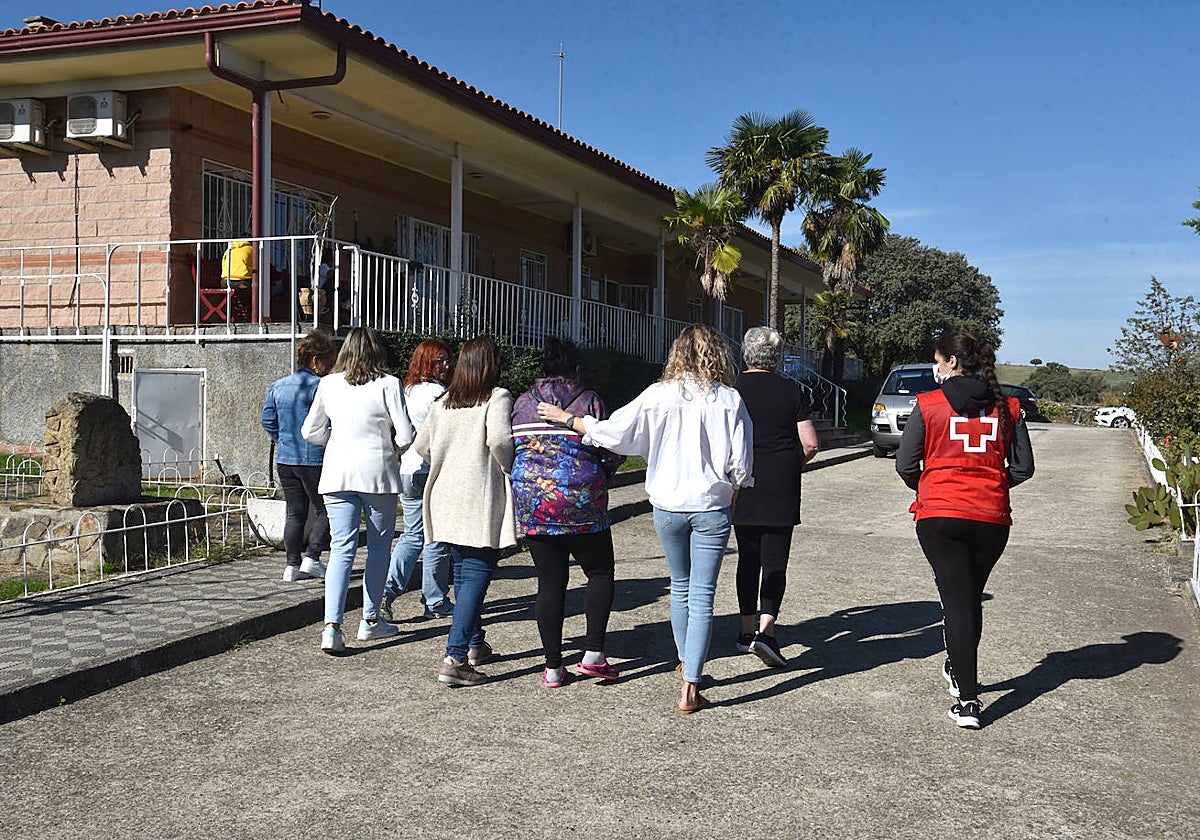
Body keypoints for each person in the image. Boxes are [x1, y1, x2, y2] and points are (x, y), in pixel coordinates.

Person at [538, 324, 753, 715]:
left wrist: (569, 420)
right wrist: (734, 493)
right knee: (702, 594)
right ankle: (691, 684)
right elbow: (741, 464)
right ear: (718, 356)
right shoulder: (730, 399)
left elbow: (614, 432)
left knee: (681, 587)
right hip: (712, 505)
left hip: (668, 507)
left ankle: (686, 661)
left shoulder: (658, 395)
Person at [895, 330, 1035, 730]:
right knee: (968, 598)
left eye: (938, 361)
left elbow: (906, 463)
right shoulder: (1008, 406)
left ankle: (968, 698)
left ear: (953, 363)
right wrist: (989, 484)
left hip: (940, 514)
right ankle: (959, 672)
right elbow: (1023, 467)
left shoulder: (929, 405)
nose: (936, 368)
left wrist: (928, 486)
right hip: (991, 516)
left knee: (957, 601)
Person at [511, 337, 625, 688]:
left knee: (550, 581)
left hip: (536, 503)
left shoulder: (522, 404)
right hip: (582, 503)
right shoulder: (589, 401)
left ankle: (552, 667)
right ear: (576, 369)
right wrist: (600, 476)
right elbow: (612, 448)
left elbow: (512, 446)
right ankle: (593, 654)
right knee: (600, 571)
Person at [301, 327, 414, 654]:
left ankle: (332, 628)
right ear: (377, 351)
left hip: (337, 473)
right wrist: (389, 449)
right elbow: (406, 435)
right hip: (377, 473)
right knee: (379, 548)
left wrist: (334, 441)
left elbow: (310, 430)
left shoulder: (328, 383)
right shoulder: (389, 384)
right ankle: (370, 620)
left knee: (341, 548)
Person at [415, 336, 516, 687]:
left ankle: (474, 645)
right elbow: (501, 441)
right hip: (479, 496)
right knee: (476, 573)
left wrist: (449, 461)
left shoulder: (442, 402)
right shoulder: (497, 397)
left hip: (445, 496)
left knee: (461, 572)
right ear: (490, 365)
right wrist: (508, 467)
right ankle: (455, 657)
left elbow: (421, 445)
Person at [731, 326, 820, 668]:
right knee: (775, 559)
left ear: (746, 354)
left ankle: (744, 630)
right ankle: (767, 631)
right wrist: (793, 461)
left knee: (747, 557)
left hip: (743, 479)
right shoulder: (792, 391)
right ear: (778, 357)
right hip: (781, 480)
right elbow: (811, 443)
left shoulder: (732, 391)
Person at [382, 339, 456, 621]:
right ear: (427, 363)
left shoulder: (407, 390)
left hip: (407, 470)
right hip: (430, 470)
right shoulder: (439, 394)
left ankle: (386, 592)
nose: (447, 365)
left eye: (448, 360)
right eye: (440, 361)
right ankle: (435, 600)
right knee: (436, 537)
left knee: (412, 535)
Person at [260, 330, 338, 583]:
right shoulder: (322, 387)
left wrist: (283, 439)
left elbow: (267, 420)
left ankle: (291, 565)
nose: (331, 366)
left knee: (295, 512)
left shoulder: (278, 385)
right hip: (314, 457)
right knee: (325, 509)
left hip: (286, 458)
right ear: (315, 361)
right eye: (328, 360)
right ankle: (312, 558)